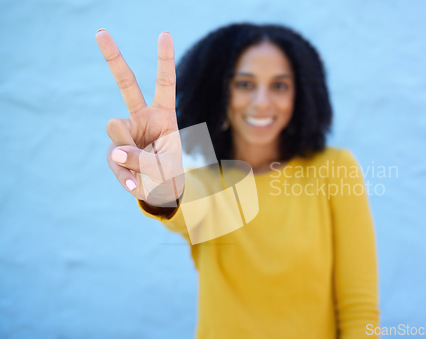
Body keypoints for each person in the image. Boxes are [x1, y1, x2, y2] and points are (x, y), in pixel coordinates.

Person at [96, 23, 379, 338]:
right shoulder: (202, 173)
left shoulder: (334, 169)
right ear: (220, 90)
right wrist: (165, 192)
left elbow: (359, 309)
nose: (261, 101)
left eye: (280, 86)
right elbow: (185, 206)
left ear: (301, 94)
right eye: (245, 84)